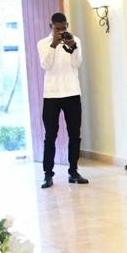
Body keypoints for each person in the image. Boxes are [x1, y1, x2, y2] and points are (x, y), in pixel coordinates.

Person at [37, 12, 87, 188]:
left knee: (75, 134)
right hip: (51, 94)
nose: (61, 31)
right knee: (50, 135)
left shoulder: (75, 40)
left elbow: (76, 64)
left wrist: (73, 47)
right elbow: (46, 65)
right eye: (57, 29)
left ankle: (73, 171)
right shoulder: (43, 43)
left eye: (63, 28)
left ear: (67, 26)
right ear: (51, 26)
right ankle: (48, 174)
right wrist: (53, 45)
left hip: (72, 92)